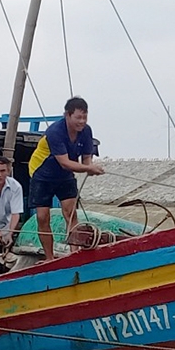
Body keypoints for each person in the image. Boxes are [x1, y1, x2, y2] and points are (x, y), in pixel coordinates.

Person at [28, 96, 104, 261]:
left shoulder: (86, 131)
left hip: (65, 176)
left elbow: (86, 159)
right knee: (42, 216)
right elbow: (64, 163)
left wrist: (89, 167)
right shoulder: (55, 132)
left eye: (85, 117)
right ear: (67, 115)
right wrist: (88, 168)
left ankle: (74, 254)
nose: (82, 121)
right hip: (42, 173)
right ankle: (49, 257)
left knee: (70, 213)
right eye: (78, 117)